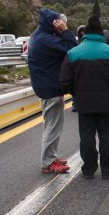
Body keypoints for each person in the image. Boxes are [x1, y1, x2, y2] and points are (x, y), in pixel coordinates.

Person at [60, 15, 109, 179]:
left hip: (84, 103)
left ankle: (88, 170)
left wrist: (76, 93)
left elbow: (64, 81)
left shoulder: (72, 53)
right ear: (101, 34)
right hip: (107, 103)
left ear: (84, 34)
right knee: (107, 136)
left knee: (86, 136)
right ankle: (107, 170)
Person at [28, 9, 77, 174]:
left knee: (52, 125)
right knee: (52, 127)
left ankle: (51, 156)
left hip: (46, 86)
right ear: (54, 23)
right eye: (59, 24)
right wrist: (65, 31)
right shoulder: (45, 39)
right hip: (50, 88)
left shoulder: (39, 36)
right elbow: (72, 49)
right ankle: (48, 162)